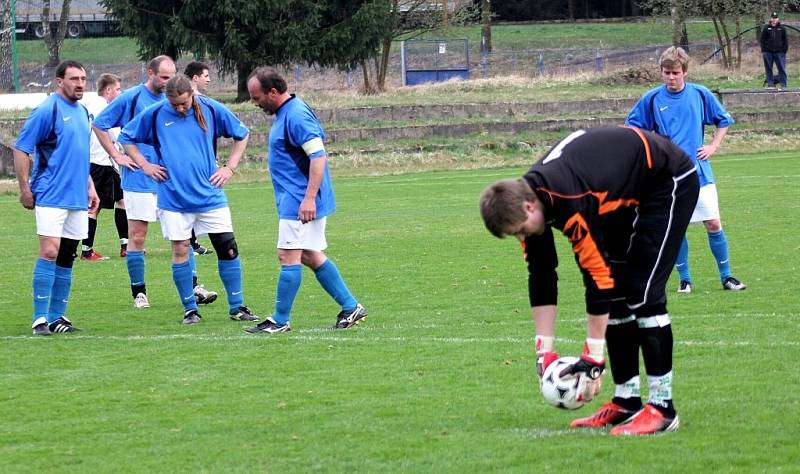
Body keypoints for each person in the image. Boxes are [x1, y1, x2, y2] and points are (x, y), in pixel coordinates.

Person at [479, 126, 699, 436]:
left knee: (643, 294)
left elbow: (595, 278)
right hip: (617, 194)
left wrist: (593, 354)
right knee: (619, 293)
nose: (520, 236)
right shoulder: (529, 203)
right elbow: (541, 275)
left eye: (519, 229)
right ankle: (627, 401)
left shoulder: (568, 199)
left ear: (529, 207)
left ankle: (663, 408)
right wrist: (544, 351)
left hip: (666, 180)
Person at [118, 74, 259, 325]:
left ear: (191, 94)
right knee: (181, 249)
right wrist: (145, 165)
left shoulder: (210, 108)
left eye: (184, 103)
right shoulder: (156, 113)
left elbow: (242, 133)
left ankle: (237, 306)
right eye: (175, 105)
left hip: (210, 195)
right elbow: (126, 137)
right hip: (173, 197)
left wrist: (229, 167)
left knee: (228, 248)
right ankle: (190, 309)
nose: (180, 108)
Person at [244, 66, 367, 334]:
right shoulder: (287, 112)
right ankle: (351, 306)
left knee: (287, 254)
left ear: (273, 92)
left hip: (300, 201)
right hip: (295, 198)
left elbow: (318, 156)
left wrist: (309, 198)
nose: (255, 104)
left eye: (256, 97)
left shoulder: (296, 115)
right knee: (309, 255)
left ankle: (280, 320)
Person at [92, 56, 218, 309]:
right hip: (139, 178)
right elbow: (99, 124)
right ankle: (139, 293)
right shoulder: (132, 98)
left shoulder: (177, 98)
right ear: (150, 73)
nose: (169, 81)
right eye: (163, 77)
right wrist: (117, 155)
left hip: (172, 181)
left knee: (183, 236)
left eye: (172, 76)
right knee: (138, 235)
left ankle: (194, 287)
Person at [625, 46, 746, 293]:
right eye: (666, 72)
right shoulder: (651, 99)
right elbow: (633, 128)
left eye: (675, 73)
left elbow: (723, 120)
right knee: (677, 228)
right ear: (661, 72)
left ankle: (727, 276)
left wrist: (714, 145)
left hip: (700, 172)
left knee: (713, 223)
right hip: (668, 177)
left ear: (685, 72)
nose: (671, 77)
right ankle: (685, 279)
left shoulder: (700, 94)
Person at [13, 60, 100, 336]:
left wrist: (90, 186)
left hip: (77, 196)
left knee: (66, 255)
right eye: (74, 78)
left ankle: (56, 316)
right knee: (49, 251)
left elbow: (79, 153)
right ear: (59, 81)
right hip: (50, 193)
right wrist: (25, 189)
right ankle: (39, 318)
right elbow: (21, 149)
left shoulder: (84, 112)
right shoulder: (46, 110)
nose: (80, 84)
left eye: (83, 79)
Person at [79, 73, 129, 260]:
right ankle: (86, 250)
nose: (120, 92)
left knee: (122, 200)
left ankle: (126, 245)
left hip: (105, 162)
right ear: (108, 90)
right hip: (100, 162)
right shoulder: (104, 107)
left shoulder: (89, 105)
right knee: (94, 206)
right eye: (117, 89)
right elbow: (114, 133)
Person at [183, 60, 215, 256]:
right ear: (195, 78)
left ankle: (192, 243)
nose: (209, 80)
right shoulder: (187, 103)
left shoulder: (207, 103)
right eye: (206, 76)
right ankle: (189, 243)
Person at [760, 12, 788, 89]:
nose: (774, 20)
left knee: (782, 68)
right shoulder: (766, 28)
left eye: (775, 18)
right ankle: (770, 84)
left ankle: (783, 85)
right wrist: (764, 50)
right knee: (768, 68)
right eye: (773, 18)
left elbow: (785, 40)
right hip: (768, 52)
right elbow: (762, 40)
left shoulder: (782, 28)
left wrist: (784, 51)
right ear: (770, 19)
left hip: (779, 52)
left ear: (778, 19)